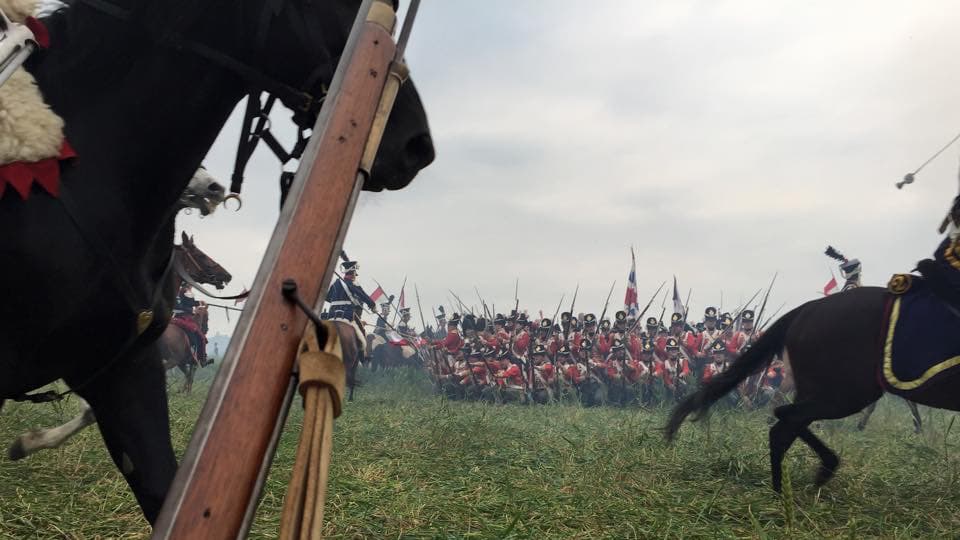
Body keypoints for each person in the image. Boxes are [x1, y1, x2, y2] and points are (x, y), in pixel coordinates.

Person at [324, 259, 375, 328]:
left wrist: (336, 301)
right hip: (347, 312)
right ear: (353, 272)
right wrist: (372, 304)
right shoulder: (353, 283)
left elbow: (326, 297)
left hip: (332, 312)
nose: (355, 276)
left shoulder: (334, 283)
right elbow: (362, 295)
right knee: (361, 332)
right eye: (355, 273)